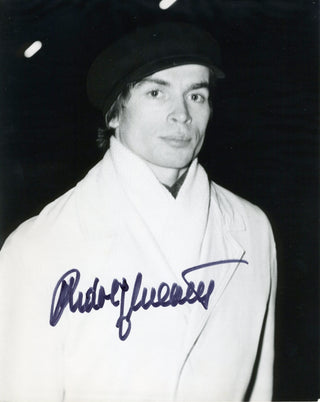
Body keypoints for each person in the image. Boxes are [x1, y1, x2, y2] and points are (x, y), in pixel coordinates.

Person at [0, 22, 277, 402]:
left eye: (196, 95)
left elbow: (260, 388)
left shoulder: (252, 229)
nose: (181, 114)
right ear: (115, 113)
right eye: (156, 93)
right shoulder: (37, 248)